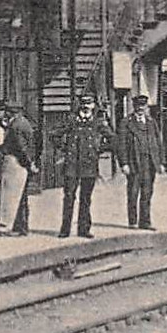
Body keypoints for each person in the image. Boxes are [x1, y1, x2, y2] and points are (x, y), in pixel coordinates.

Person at [56, 94, 114, 238]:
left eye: (89, 103)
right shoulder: (71, 120)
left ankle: (84, 229)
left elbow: (113, 139)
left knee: (86, 199)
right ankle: (65, 229)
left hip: (89, 165)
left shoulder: (98, 122)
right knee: (69, 197)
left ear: (93, 106)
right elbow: (54, 134)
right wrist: (64, 147)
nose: (86, 106)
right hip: (72, 165)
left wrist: (98, 149)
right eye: (83, 103)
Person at [119, 94, 164, 230]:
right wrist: (124, 163)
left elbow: (158, 143)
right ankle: (132, 221)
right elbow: (121, 145)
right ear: (134, 107)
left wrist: (160, 162)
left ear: (146, 107)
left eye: (143, 106)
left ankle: (145, 222)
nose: (140, 109)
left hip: (149, 163)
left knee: (147, 193)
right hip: (134, 163)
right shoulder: (126, 123)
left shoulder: (151, 122)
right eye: (138, 106)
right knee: (133, 193)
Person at [0, 104, 38, 235]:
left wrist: (29, 162)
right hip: (21, 163)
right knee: (21, 196)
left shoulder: (16, 126)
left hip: (16, 163)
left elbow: (21, 147)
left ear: (11, 113)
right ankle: (21, 226)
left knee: (16, 196)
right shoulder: (22, 122)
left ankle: (19, 227)